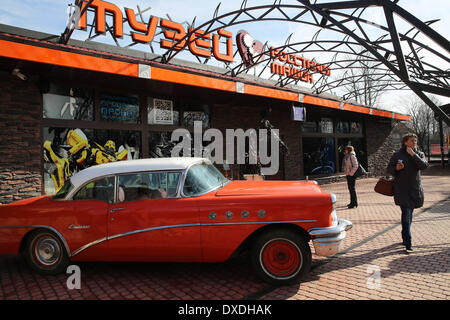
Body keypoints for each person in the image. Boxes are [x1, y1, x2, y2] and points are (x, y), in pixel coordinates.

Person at [387, 133, 428, 253]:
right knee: (406, 214)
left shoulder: (419, 154)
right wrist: (396, 169)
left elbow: (424, 166)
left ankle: (405, 235)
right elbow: (389, 169)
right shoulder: (397, 154)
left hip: (415, 189)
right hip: (402, 190)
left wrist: (413, 154)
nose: (414, 142)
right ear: (405, 142)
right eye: (412, 140)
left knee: (408, 216)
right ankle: (408, 243)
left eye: (415, 140)